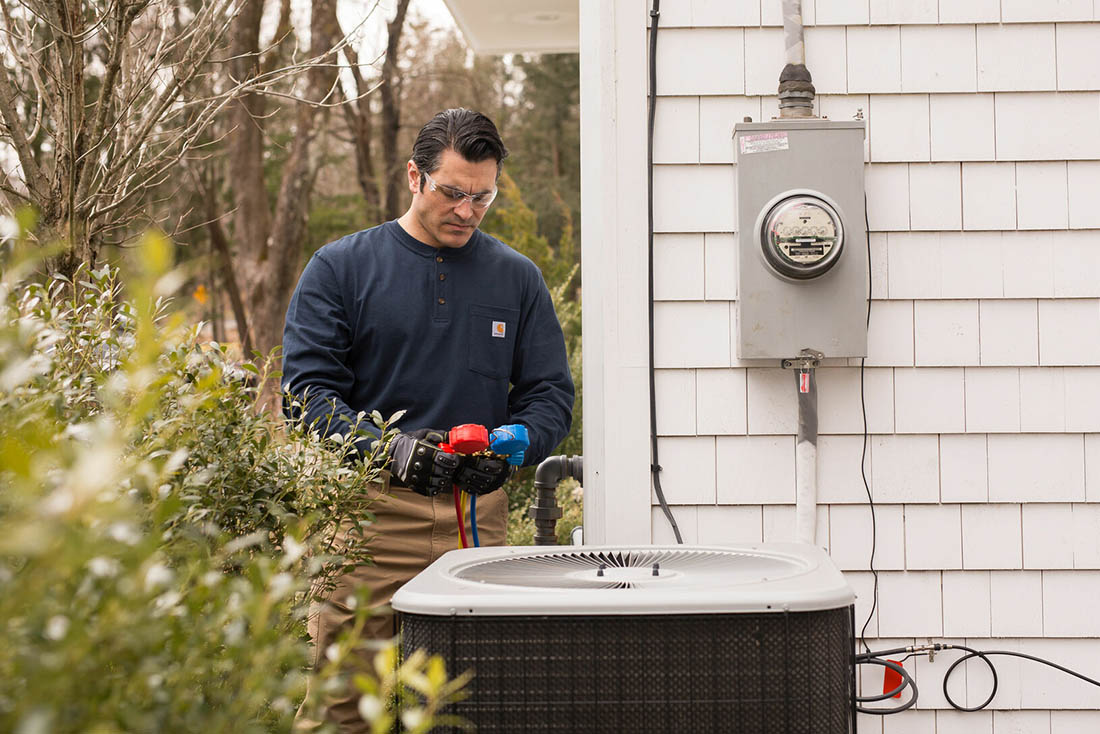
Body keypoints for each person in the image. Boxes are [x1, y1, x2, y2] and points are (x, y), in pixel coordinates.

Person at [282, 108, 574, 731]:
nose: (467, 211)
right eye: (452, 193)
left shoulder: (517, 278)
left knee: (472, 706)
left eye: (483, 197)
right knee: (342, 705)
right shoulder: (340, 268)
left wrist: (519, 442)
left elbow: (550, 393)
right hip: (369, 517)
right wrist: (387, 447)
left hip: (476, 516)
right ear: (414, 177)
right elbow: (306, 395)